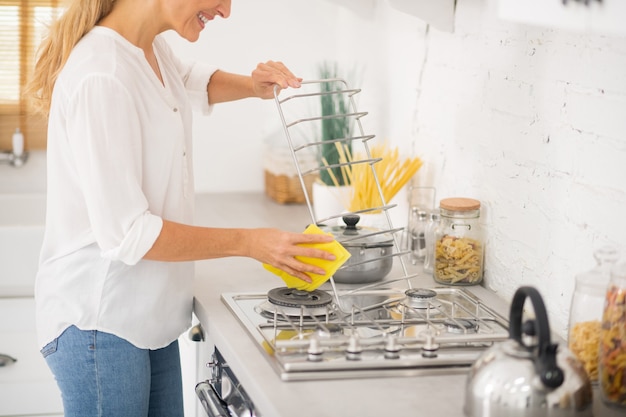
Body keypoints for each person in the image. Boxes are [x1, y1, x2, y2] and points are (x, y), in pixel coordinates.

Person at [25, 0, 336, 416]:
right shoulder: (101, 75)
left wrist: (253, 85)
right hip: (99, 321)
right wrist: (251, 242)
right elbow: (128, 233)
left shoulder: (147, 49)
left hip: (144, 315)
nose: (226, 11)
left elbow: (188, 81)